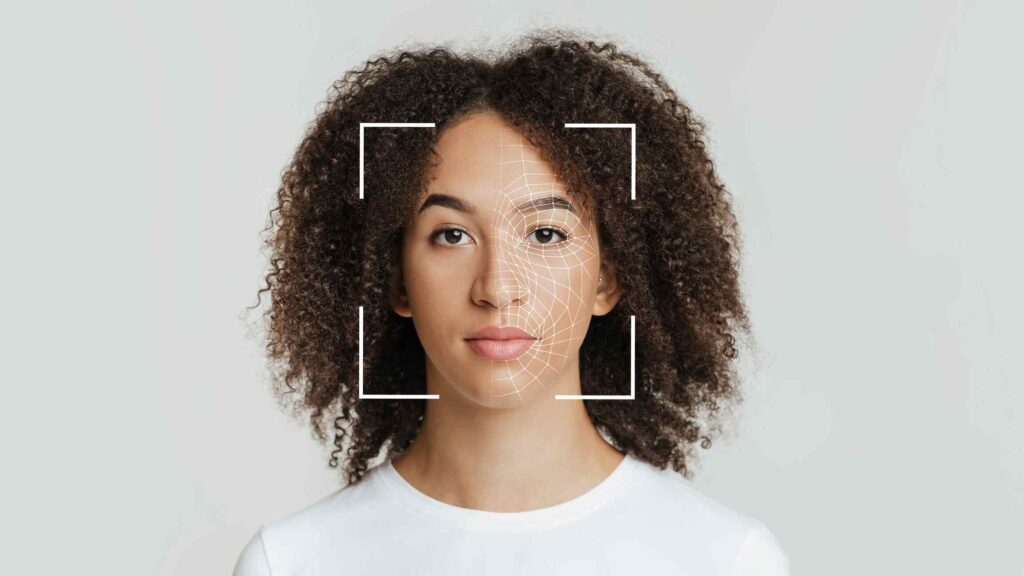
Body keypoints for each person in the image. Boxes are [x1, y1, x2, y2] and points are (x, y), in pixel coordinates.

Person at [235, 30, 790, 575]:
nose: (498, 288)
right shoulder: (292, 563)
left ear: (607, 280)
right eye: (452, 235)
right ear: (396, 280)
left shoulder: (724, 560)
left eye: (546, 234)